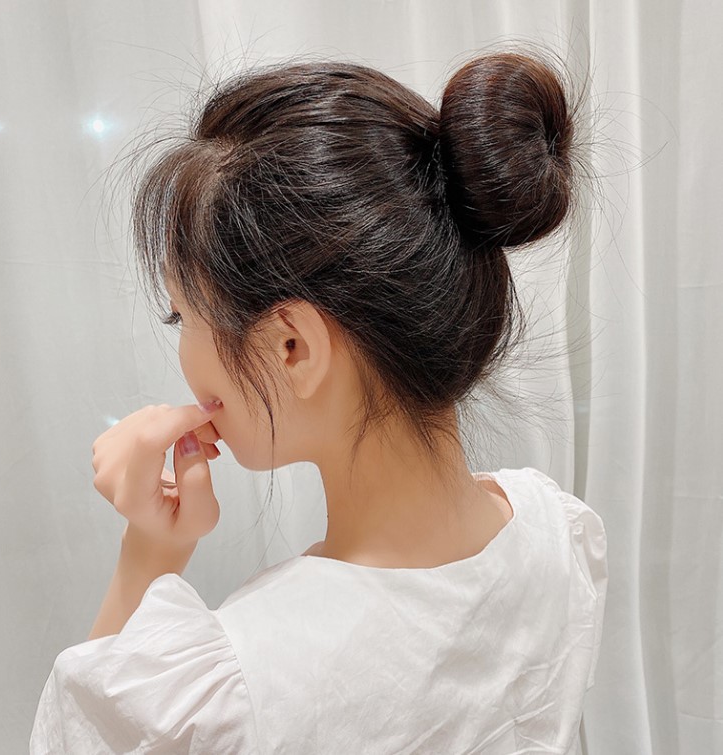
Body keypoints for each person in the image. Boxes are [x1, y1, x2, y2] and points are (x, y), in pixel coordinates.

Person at [30, 46, 608, 754]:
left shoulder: (244, 684)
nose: (183, 351)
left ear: (292, 347)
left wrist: (149, 551)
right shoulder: (558, 534)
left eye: (182, 315)